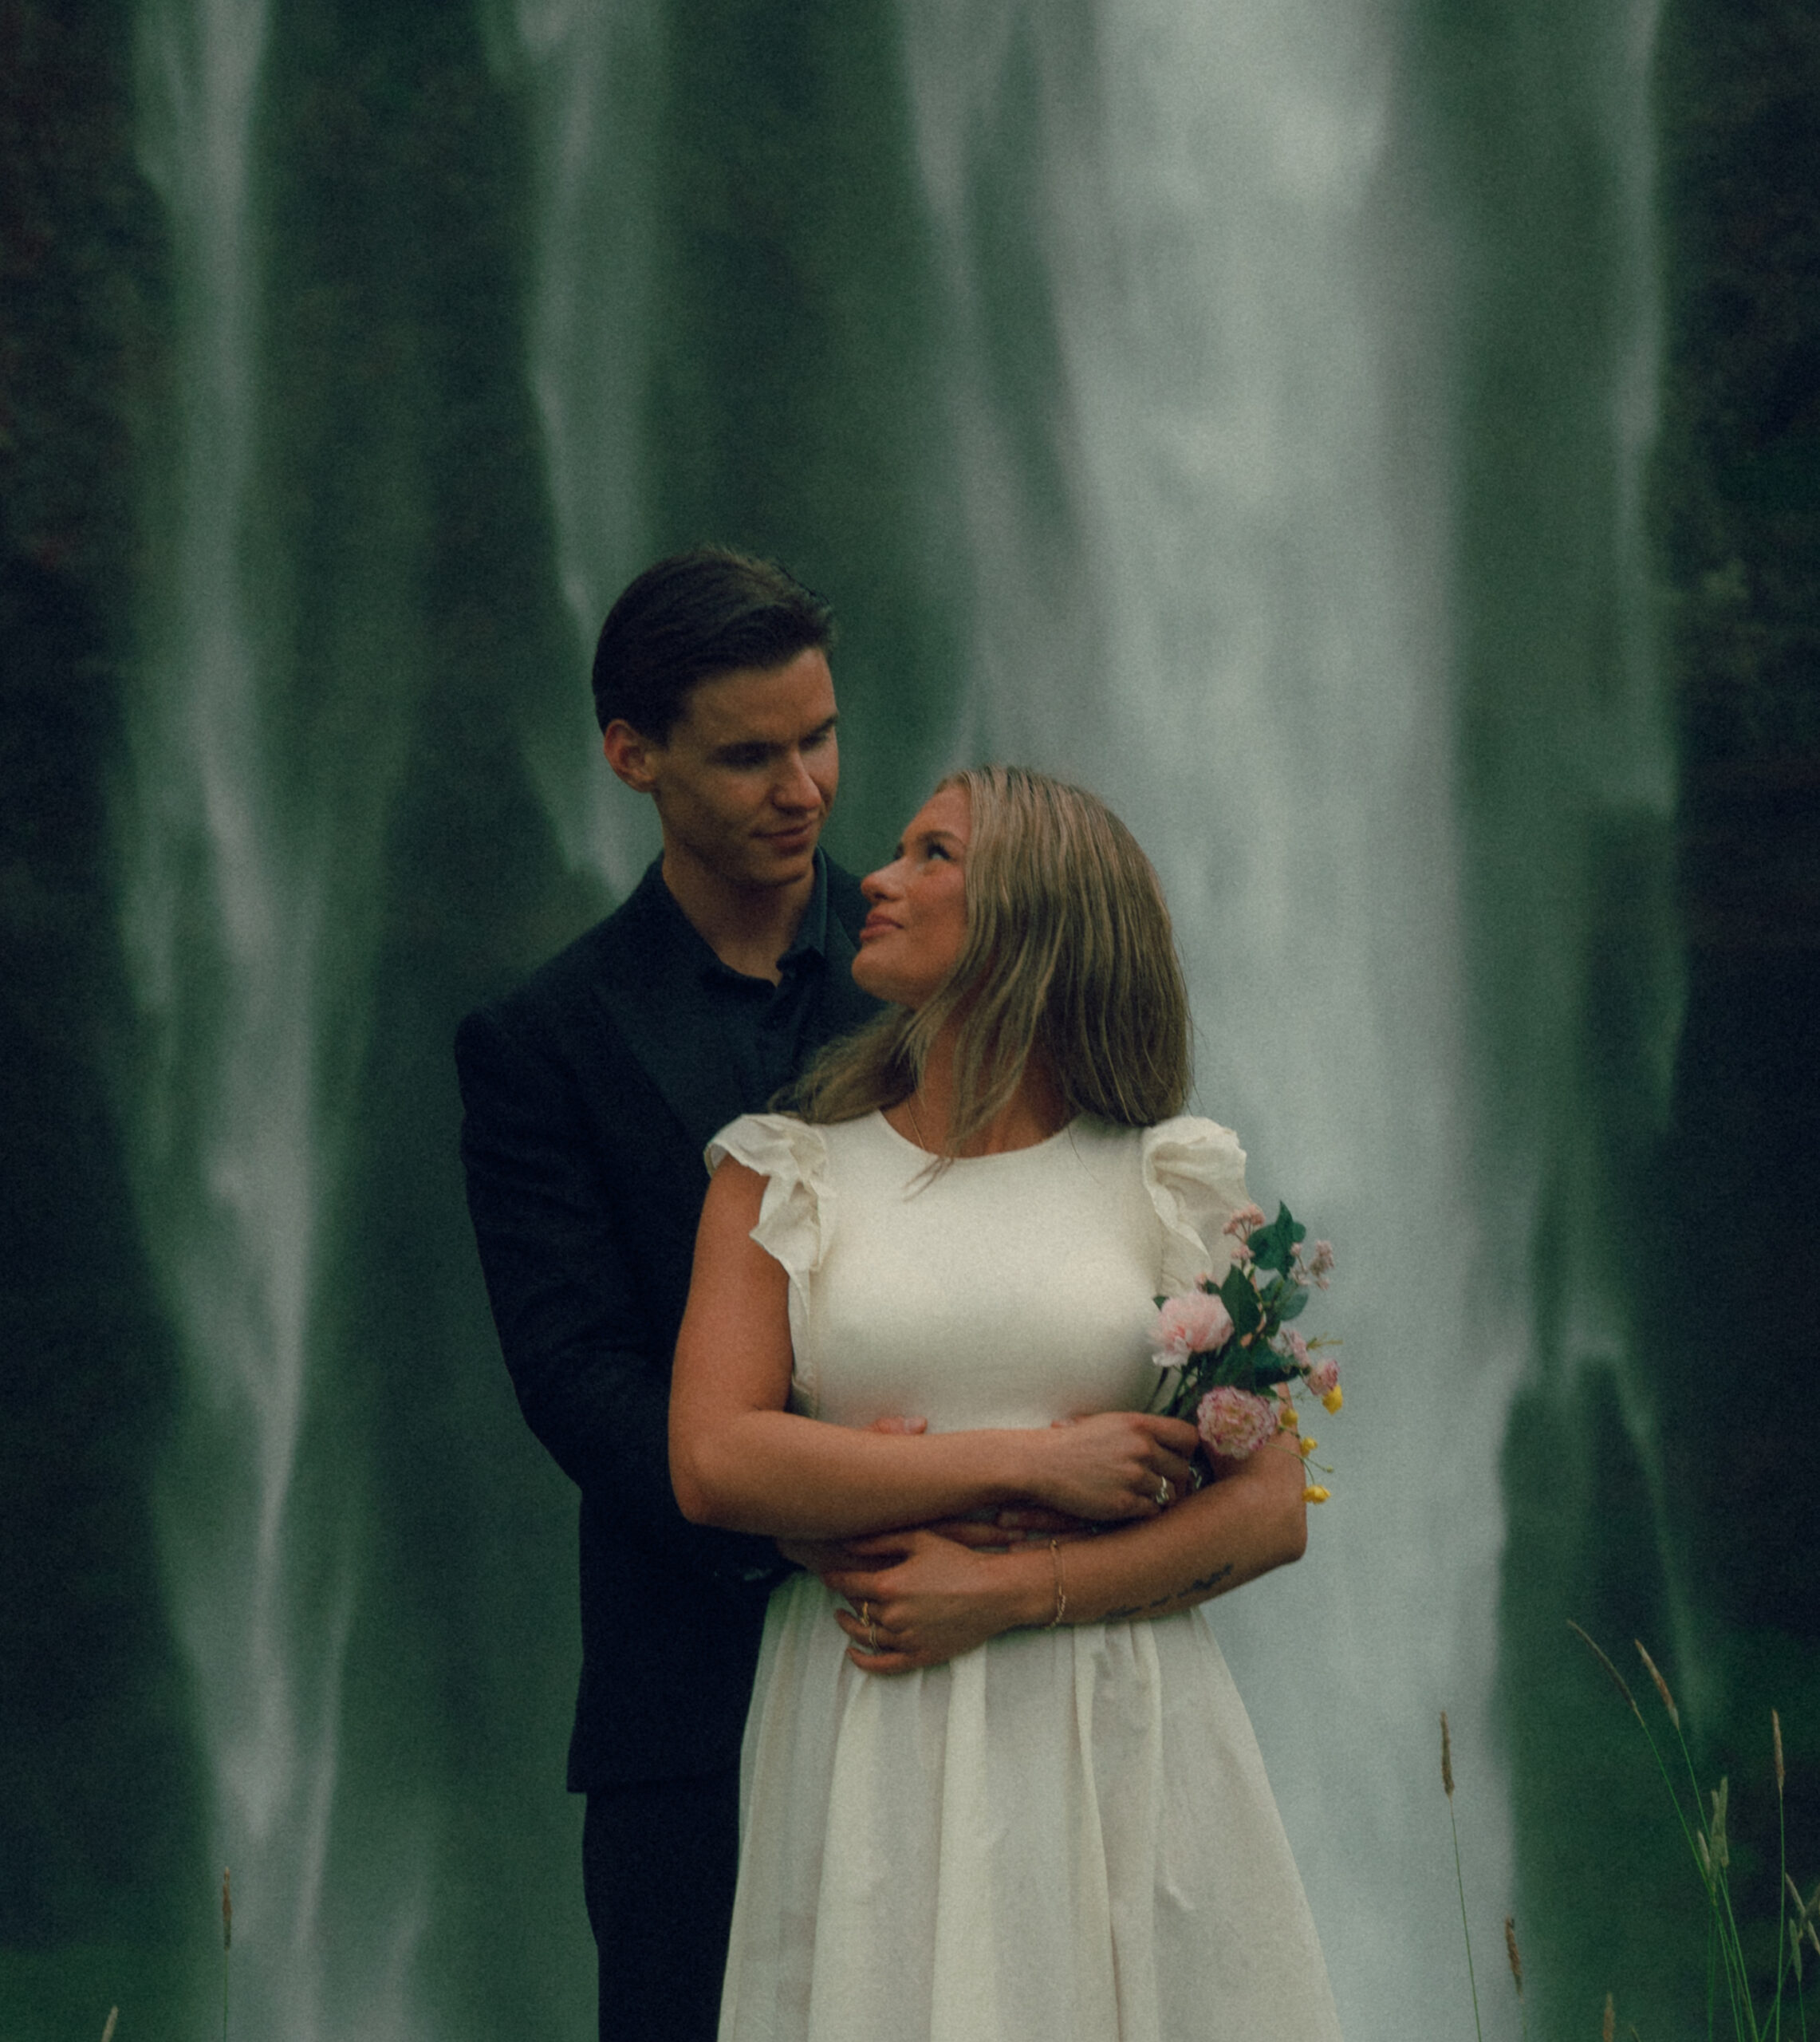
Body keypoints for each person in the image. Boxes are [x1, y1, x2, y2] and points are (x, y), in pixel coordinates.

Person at [670, 767, 1344, 2042]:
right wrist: (1033, 1467)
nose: (873, 877)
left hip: (1115, 1721)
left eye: (932, 855)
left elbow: (1269, 1512)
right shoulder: (786, 1172)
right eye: (897, 850)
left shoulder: (1165, 1179)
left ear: (1035, 916)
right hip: (876, 1718)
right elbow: (715, 1459)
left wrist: (1006, 1594)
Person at [454, 547, 885, 2042]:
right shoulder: (541, 1041)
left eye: (820, 738)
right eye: (749, 755)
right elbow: (572, 1372)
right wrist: (803, 1503)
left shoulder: (941, 984)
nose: (805, 790)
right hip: (685, 1697)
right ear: (630, 754)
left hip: (962, 1650)